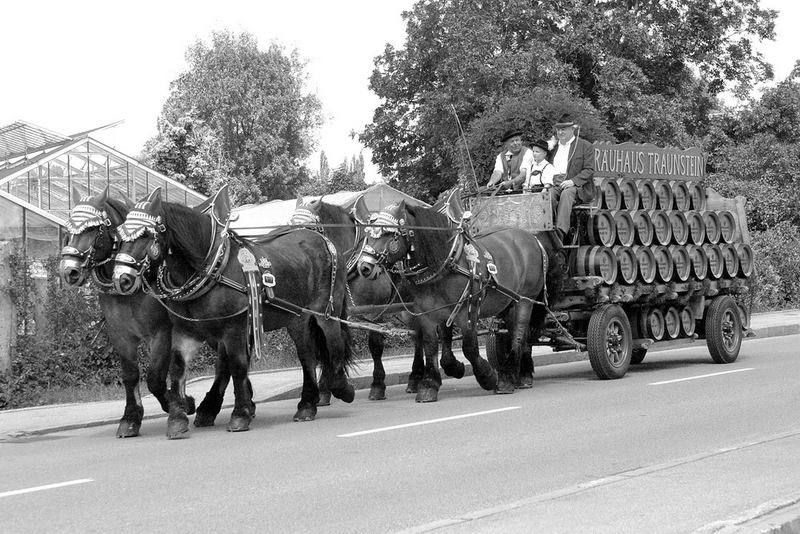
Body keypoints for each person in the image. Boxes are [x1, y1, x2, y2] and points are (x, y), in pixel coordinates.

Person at [548, 113, 595, 239]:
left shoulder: (585, 146)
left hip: (578, 187)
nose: (560, 132)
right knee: (549, 195)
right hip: (556, 183)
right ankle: (548, 228)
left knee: (567, 193)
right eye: (558, 129)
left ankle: (560, 232)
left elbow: (589, 170)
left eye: (563, 129)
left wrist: (573, 181)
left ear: (572, 129)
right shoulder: (553, 147)